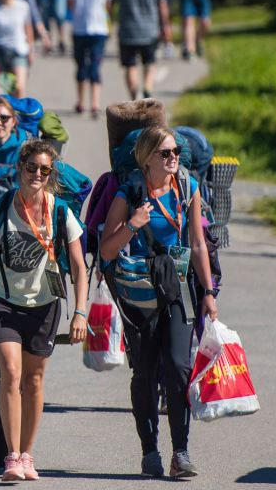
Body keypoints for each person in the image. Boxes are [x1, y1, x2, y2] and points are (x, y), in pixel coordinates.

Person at [98, 125, 219, 478]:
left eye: (176, 153)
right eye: (165, 153)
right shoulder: (129, 192)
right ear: (146, 158)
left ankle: (180, 452)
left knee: (180, 368)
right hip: (139, 289)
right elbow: (107, 248)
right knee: (146, 371)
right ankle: (149, 450)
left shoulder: (188, 188)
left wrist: (208, 292)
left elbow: (197, 244)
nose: (173, 159)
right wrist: (133, 225)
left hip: (179, 284)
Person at [0, 139, 89, 481]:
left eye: (44, 170)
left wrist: (80, 312)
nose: (37, 175)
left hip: (44, 305)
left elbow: (79, 266)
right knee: (11, 373)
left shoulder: (60, 213)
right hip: (2, 300)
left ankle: (28, 455)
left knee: (35, 379)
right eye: (31, 168)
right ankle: (12, 457)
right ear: (19, 169)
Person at [113, 0, 171, 100]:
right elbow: (162, 5)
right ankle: (147, 86)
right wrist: (165, 26)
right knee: (150, 62)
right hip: (150, 29)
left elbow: (110, 4)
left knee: (130, 66)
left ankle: (134, 95)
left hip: (127, 30)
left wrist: (111, 20)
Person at [68, 0, 112, 118]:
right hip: (99, 28)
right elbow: (108, 4)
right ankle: (95, 103)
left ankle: (80, 101)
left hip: (80, 28)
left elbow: (70, 4)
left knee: (80, 65)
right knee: (95, 64)